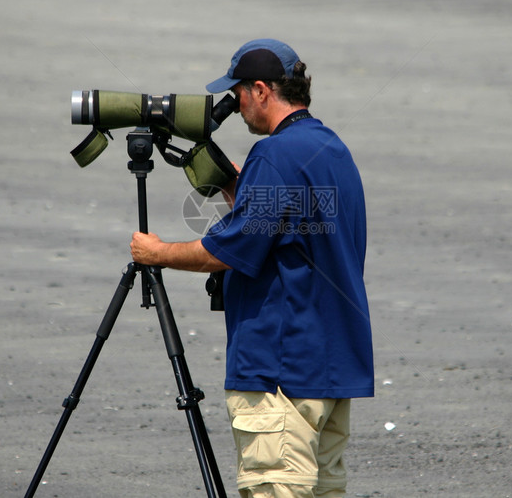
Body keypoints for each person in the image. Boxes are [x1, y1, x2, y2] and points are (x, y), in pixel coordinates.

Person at [130, 39, 373, 498]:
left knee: (275, 488)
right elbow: (297, 227)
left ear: (261, 89)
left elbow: (231, 251)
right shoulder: (331, 148)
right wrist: (239, 190)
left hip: (280, 370)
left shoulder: (275, 155)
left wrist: (156, 252)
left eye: (239, 92)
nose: (236, 105)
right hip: (331, 367)